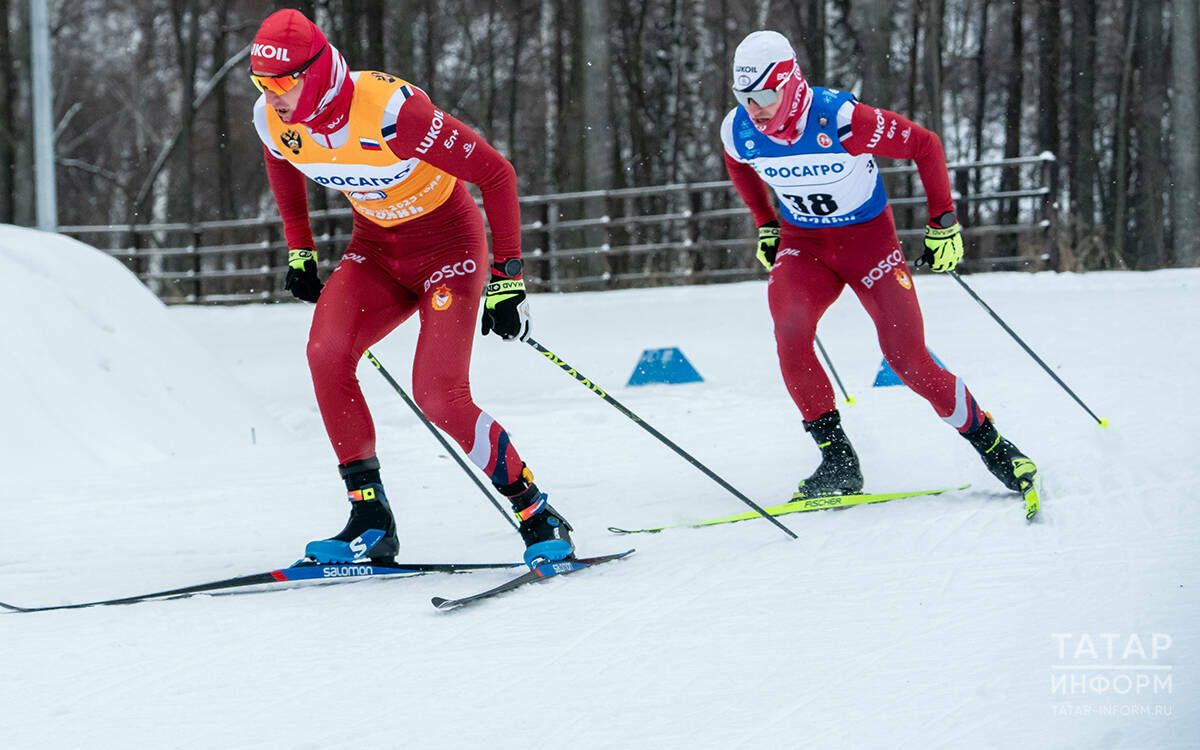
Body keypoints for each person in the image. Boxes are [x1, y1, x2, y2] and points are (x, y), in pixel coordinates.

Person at [249, 9, 572, 566]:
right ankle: (371, 521)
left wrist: (508, 277)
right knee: (326, 354)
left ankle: (536, 511)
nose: (272, 95)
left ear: (318, 73)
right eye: (262, 83)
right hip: (375, 251)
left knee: (439, 398)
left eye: (282, 81)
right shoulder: (273, 119)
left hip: (448, 249)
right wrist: (301, 249)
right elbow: (281, 162)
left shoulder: (395, 113)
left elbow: (496, 175)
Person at [720, 30, 1037, 499]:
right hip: (804, 245)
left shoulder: (843, 119)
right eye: (745, 97)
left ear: (790, 82)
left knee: (906, 359)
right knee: (789, 329)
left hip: (869, 246)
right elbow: (738, 164)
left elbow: (925, 145)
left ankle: (994, 445)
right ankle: (837, 461)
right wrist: (767, 222)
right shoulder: (738, 129)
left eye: (765, 94)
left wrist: (943, 223)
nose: (755, 107)